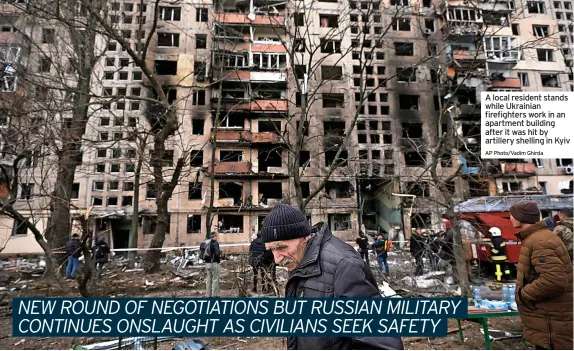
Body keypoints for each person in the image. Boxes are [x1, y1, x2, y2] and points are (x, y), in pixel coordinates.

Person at [261, 204, 404, 350]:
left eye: (281, 247)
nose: (277, 259)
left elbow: (384, 344)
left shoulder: (343, 267)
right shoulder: (301, 261)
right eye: (271, 249)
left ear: (304, 237)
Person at [509, 200, 573, 350]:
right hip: (547, 322)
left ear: (520, 217)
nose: (510, 218)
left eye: (512, 215)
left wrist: (523, 294)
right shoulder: (536, 237)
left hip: (551, 325)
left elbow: (553, 280)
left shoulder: (539, 241)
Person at [204, 232, 221, 297]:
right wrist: (218, 261)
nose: (217, 237)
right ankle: (214, 295)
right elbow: (217, 253)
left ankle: (208, 295)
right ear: (214, 236)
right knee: (215, 279)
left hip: (207, 263)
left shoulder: (207, 243)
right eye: (217, 236)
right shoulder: (215, 243)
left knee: (208, 280)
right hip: (214, 263)